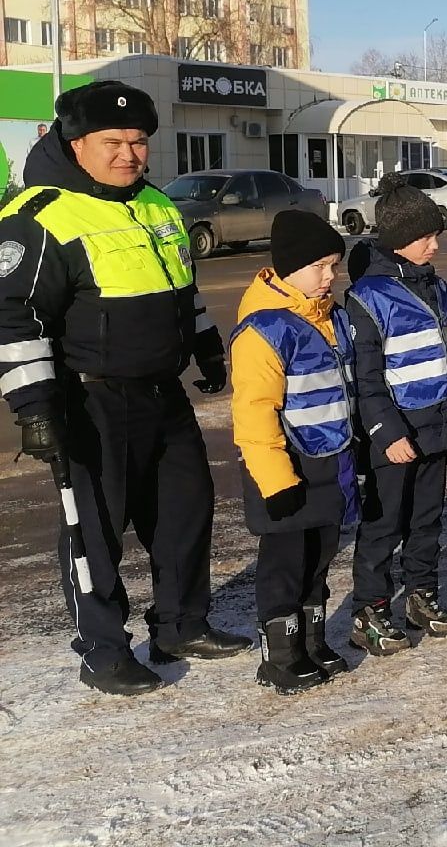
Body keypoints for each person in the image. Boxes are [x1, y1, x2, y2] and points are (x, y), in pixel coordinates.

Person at [0, 81, 248, 696]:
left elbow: (181, 290)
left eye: (138, 143)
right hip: (89, 400)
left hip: (162, 393)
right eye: (113, 143)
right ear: (75, 142)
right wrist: (33, 408)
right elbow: (10, 316)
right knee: (94, 531)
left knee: (185, 515)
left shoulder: (158, 206)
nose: (128, 155)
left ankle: (181, 625)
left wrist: (206, 344)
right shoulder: (39, 218)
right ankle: (104, 650)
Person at [231, 210, 359, 693]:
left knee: (320, 558)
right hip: (286, 471)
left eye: (334, 265)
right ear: (289, 268)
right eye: (321, 266)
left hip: (329, 461)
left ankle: (312, 639)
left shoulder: (327, 317)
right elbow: (254, 413)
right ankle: (280, 656)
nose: (331, 276)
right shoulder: (264, 330)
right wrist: (276, 481)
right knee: (284, 564)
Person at [345, 175, 447, 654]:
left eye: (435, 235)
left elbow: (446, 356)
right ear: (398, 241)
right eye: (425, 238)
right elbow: (367, 378)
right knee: (383, 527)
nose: (434, 246)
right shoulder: (369, 297)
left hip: (434, 425)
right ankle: (370, 610)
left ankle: (422, 595)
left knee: (427, 521)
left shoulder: (434, 287)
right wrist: (385, 432)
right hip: (395, 435)